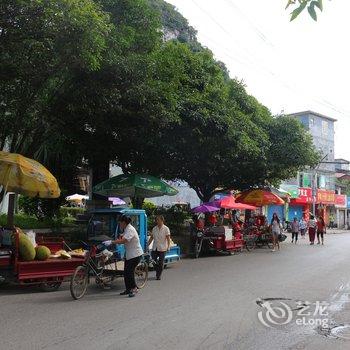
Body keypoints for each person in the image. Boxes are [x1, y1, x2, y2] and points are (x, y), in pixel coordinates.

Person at [104, 215, 143, 298]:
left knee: (129, 272)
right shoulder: (126, 229)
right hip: (130, 254)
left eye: (120, 223)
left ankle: (134, 288)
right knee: (126, 272)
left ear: (124, 222)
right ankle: (128, 289)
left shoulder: (130, 229)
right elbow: (123, 237)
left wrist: (112, 242)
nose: (119, 225)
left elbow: (124, 240)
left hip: (135, 254)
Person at [148, 215, 171, 280]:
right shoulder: (154, 228)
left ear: (162, 220)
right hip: (155, 247)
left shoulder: (166, 228)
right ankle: (158, 270)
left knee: (161, 263)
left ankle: (158, 275)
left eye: (158, 220)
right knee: (153, 261)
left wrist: (168, 247)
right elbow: (152, 238)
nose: (157, 221)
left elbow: (168, 239)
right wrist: (147, 245)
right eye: (156, 220)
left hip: (162, 248)